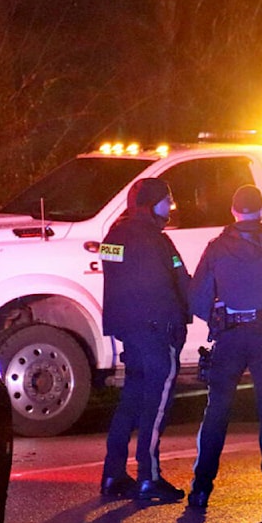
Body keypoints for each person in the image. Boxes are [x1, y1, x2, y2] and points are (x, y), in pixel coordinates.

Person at [187, 184, 262, 512]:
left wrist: (218, 317)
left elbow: (197, 299)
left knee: (216, 411)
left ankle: (200, 490)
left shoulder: (216, 248)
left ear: (233, 209)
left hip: (228, 338)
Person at [99, 177, 191, 503]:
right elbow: (178, 283)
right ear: (153, 204)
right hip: (157, 332)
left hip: (130, 334)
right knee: (157, 403)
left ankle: (113, 474)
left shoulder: (113, 237)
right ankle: (149, 477)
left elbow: (114, 277)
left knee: (131, 400)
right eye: (167, 201)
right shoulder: (157, 242)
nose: (170, 207)